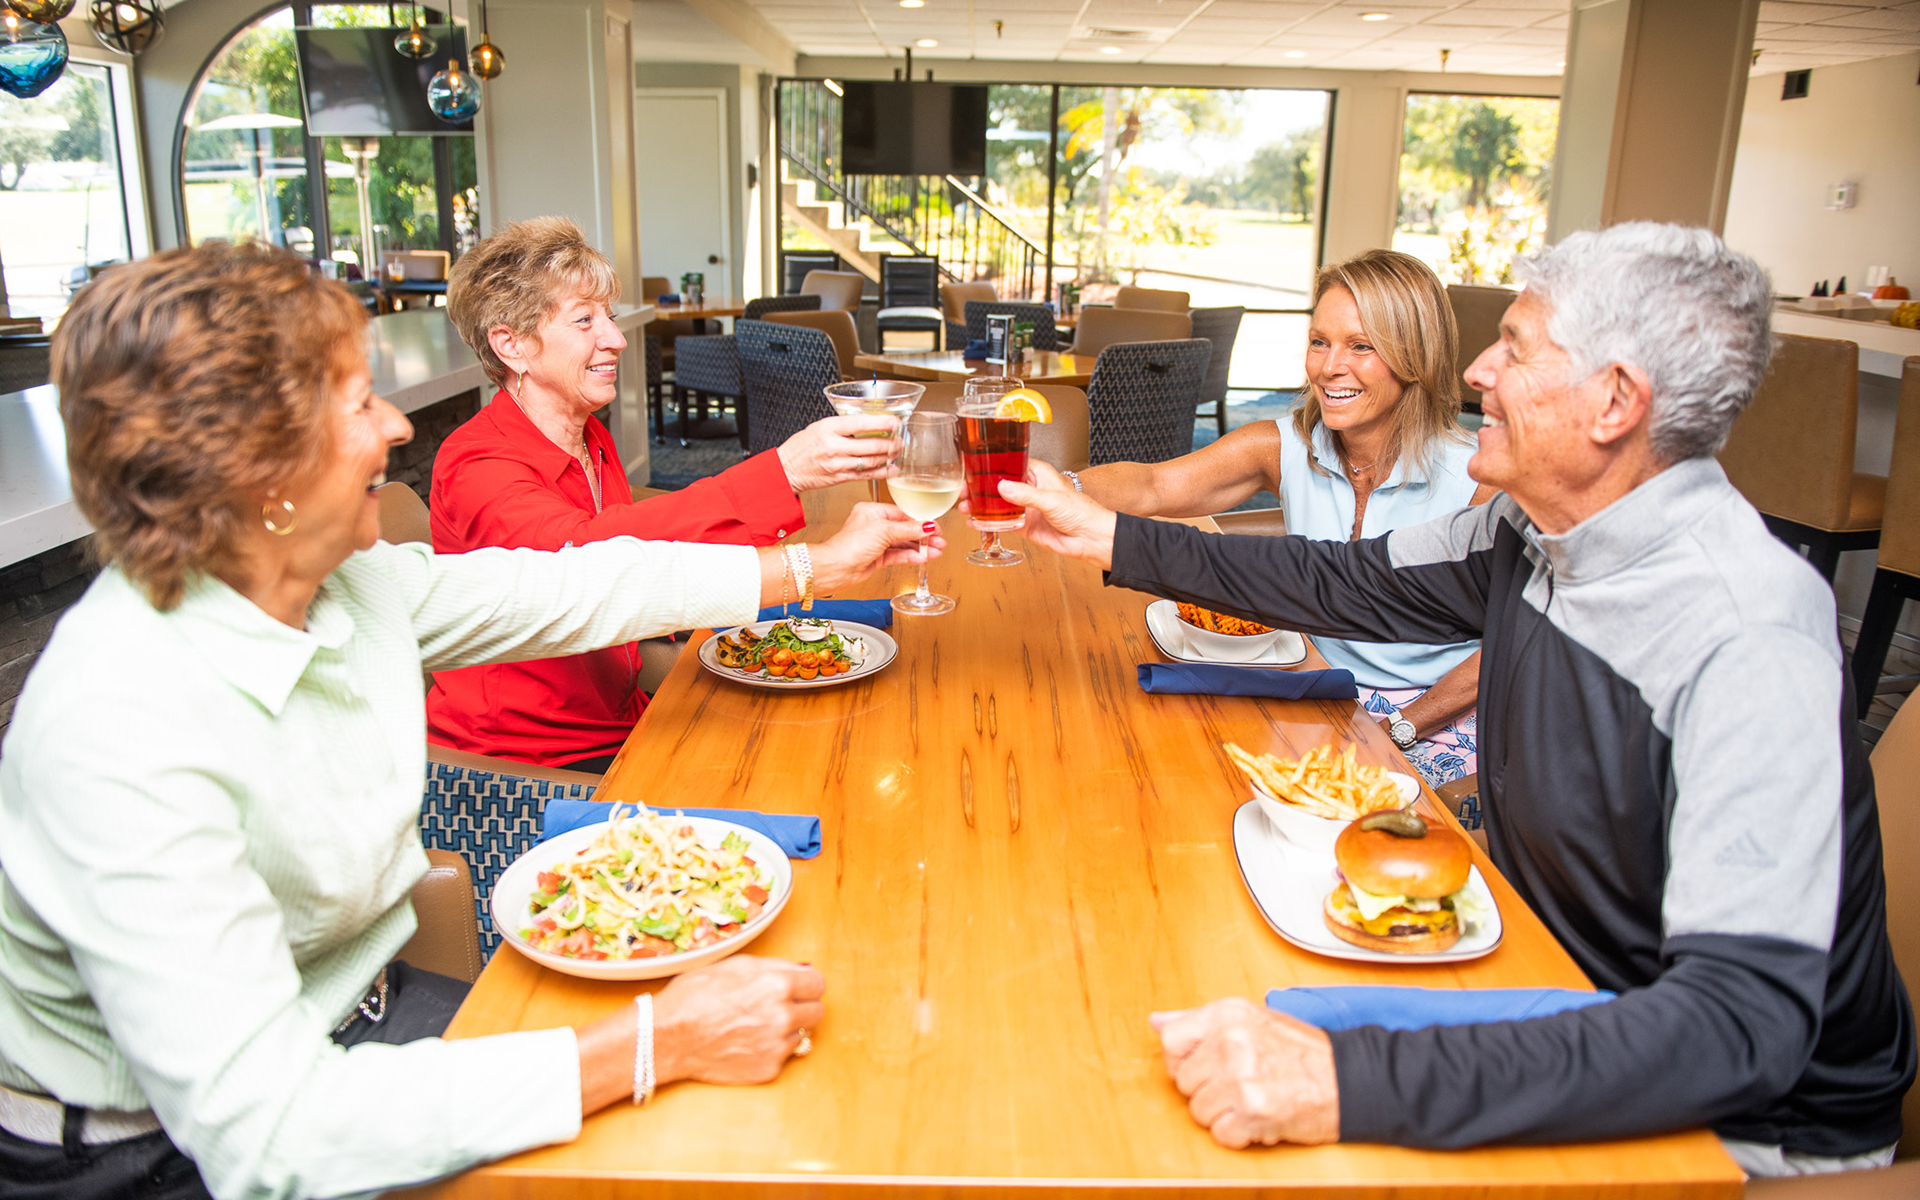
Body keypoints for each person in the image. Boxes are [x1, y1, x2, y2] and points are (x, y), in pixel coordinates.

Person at [0, 242, 939, 1200]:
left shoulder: (346, 585)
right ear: (258, 474)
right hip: (151, 1155)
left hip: (364, 1015)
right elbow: (272, 1134)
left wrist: (815, 566)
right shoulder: (118, 728)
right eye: (358, 405)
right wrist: (655, 1042)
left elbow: (569, 586)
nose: (397, 425)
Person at [1003, 223, 1916, 1175]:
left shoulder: (1748, 636)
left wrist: (1344, 1081)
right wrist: (1105, 531)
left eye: (1514, 349)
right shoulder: (1532, 532)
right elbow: (1340, 581)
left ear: (1614, 401)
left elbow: (1732, 1033)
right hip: (1556, 983)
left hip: (1737, 1125)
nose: (1477, 370)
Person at [428, 216, 902, 770]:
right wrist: (783, 474)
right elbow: (587, 560)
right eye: (584, 320)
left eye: (608, 316)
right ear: (511, 346)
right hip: (532, 763)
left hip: (621, 715)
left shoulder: (588, 435)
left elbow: (636, 541)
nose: (615, 338)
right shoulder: (476, 464)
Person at [1075, 250, 1495, 799]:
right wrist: (1058, 487)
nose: (1328, 367)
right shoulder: (1285, 445)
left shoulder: (1480, 479)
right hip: (1318, 683)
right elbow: (1153, 484)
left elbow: (1506, 647)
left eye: (1361, 346)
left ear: (1415, 356)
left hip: (1434, 712)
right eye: (1320, 341)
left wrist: (1402, 726)